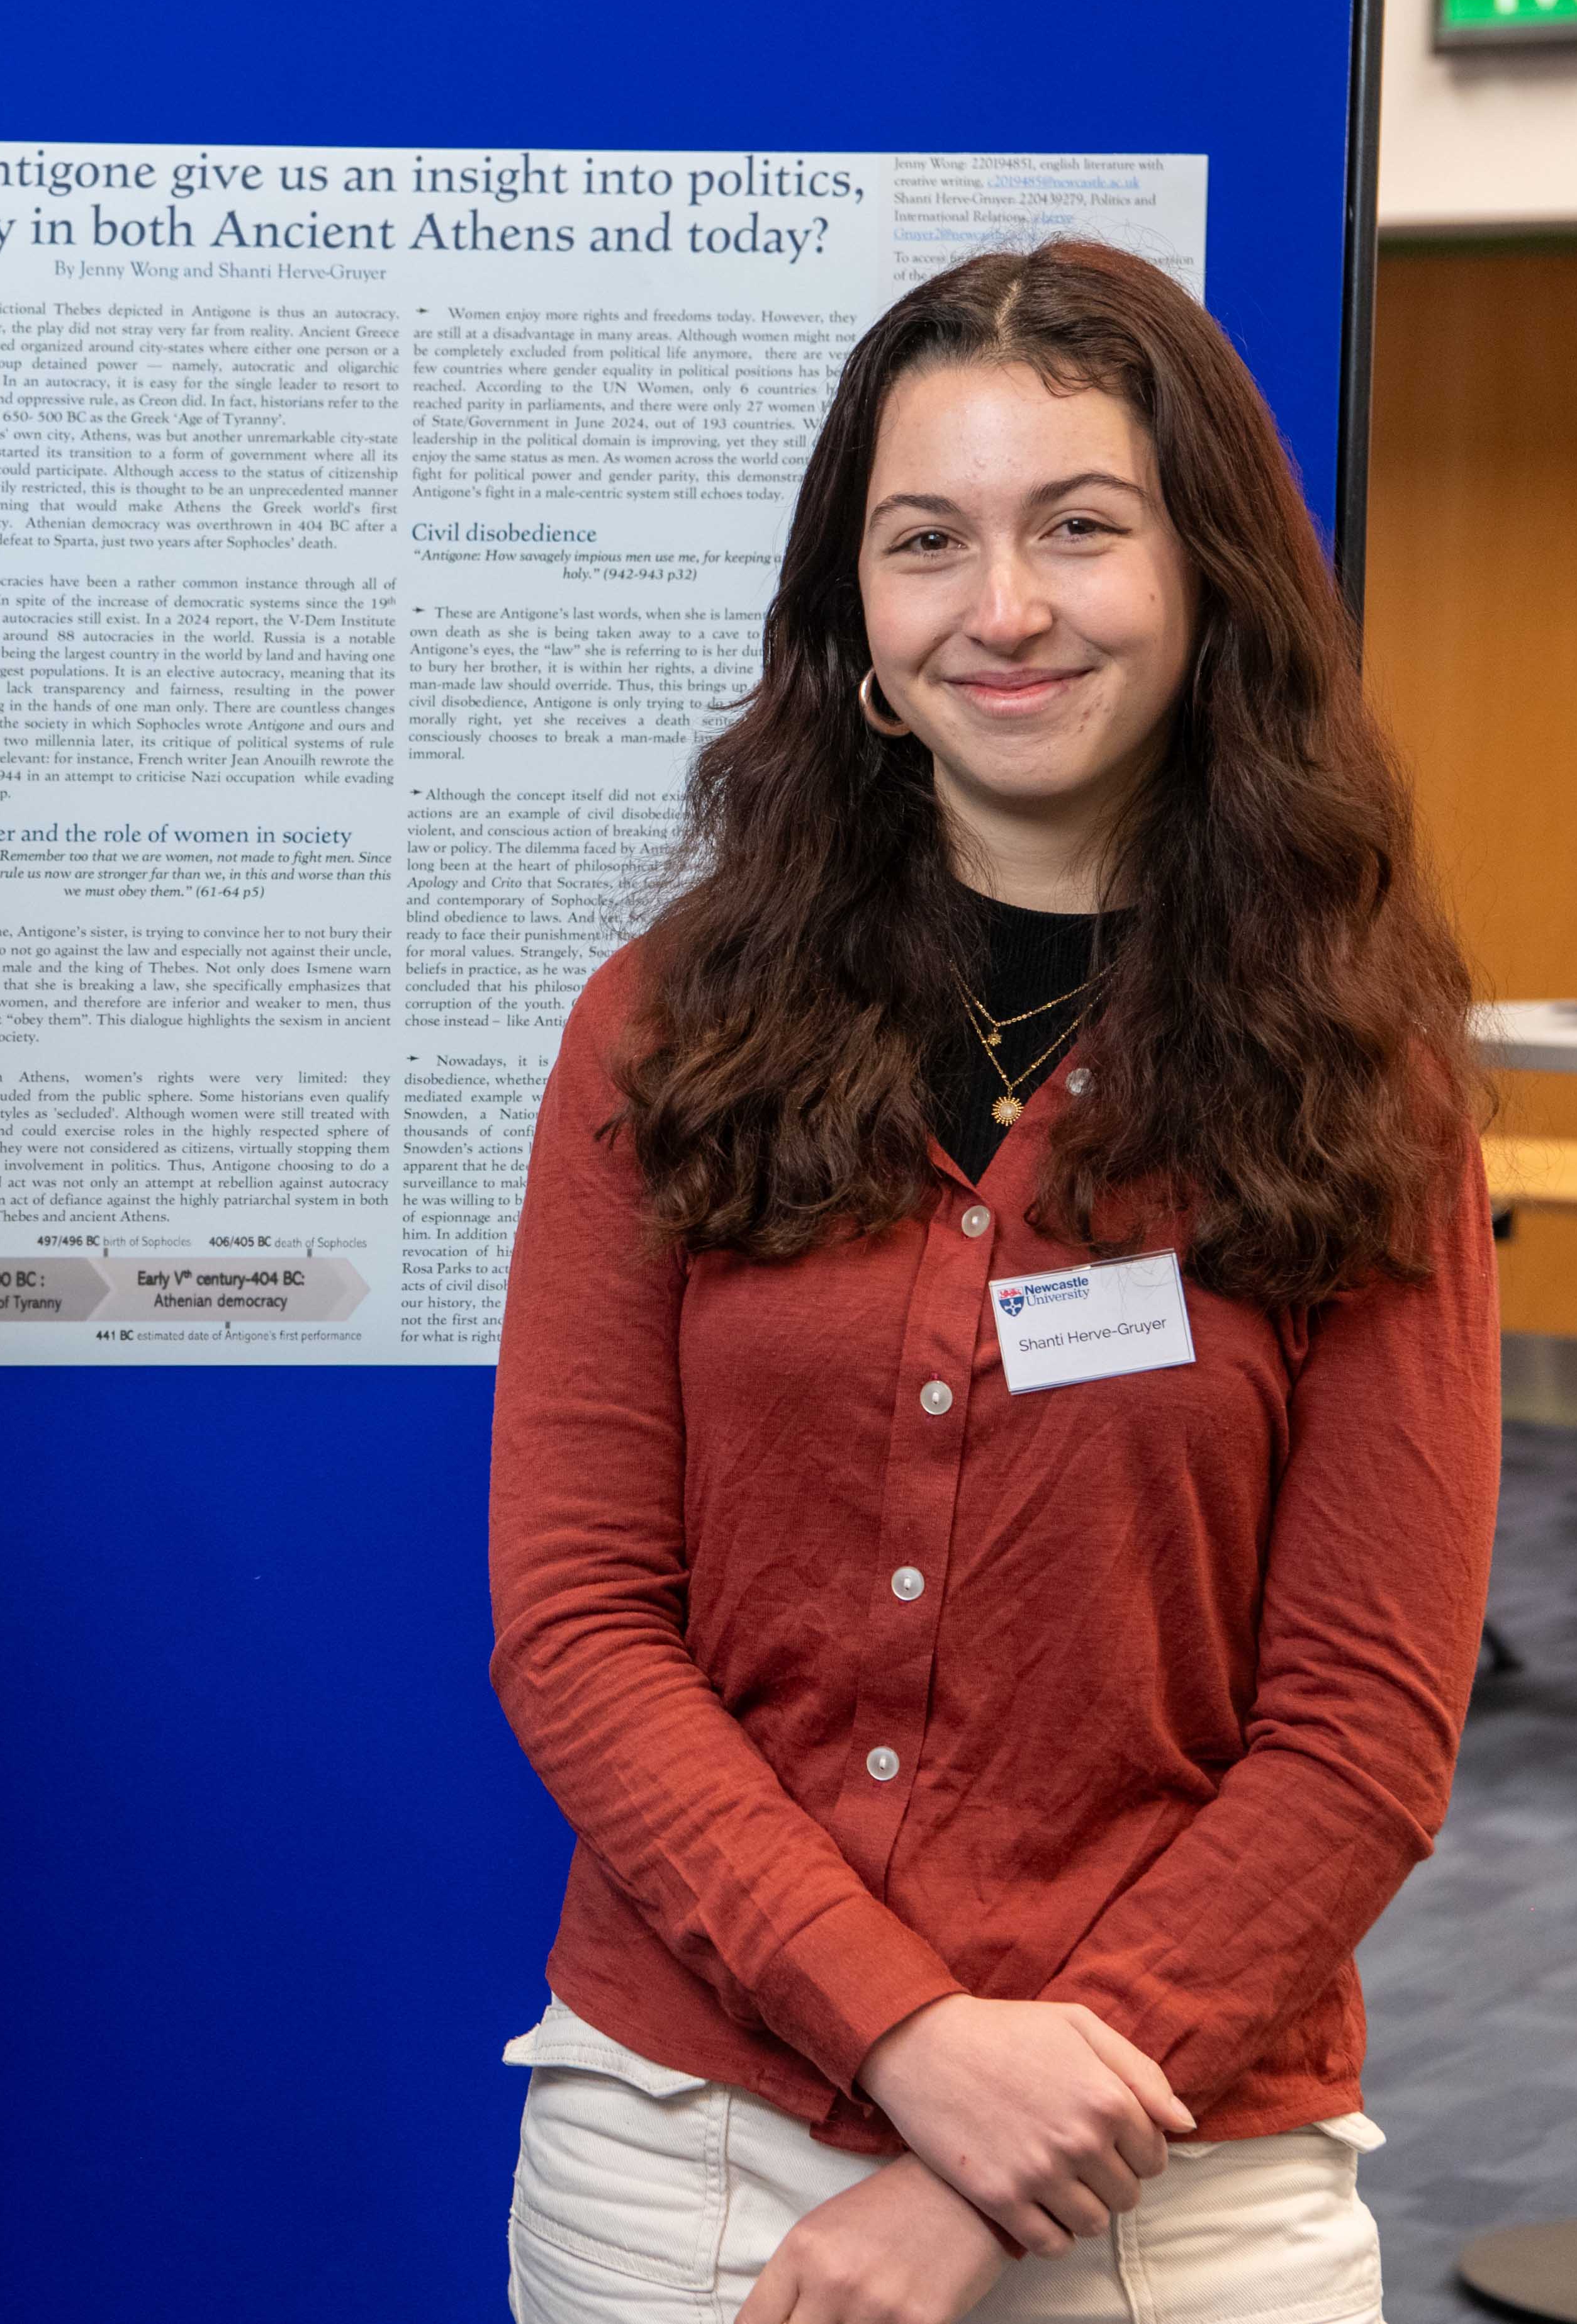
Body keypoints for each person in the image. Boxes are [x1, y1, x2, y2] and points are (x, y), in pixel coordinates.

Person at [488, 240, 1497, 2324]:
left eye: (1079, 528)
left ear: (1206, 578)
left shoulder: (1361, 1082)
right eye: (927, 540)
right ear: (855, 617)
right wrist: (906, 2036)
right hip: (689, 2156)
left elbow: (1364, 1723)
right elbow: (577, 1620)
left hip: (1176, 2174)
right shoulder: (662, 1032)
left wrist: (982, 2171)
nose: (1003, 606)